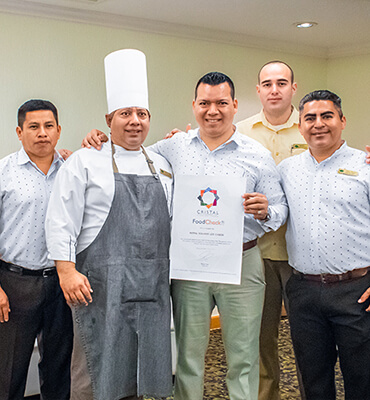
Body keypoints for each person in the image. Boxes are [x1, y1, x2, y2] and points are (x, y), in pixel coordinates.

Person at [83, 71, 288, 400]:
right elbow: (130, 153)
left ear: (234, 105)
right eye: (205, 103)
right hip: (189, 265)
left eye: (221, 103)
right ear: (194, 106)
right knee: (189, 356)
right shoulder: (172, 147)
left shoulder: (257, 155)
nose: (213, 111)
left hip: (242, 262)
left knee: (243, 357)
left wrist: (265, 211)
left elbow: (280, 209)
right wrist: (101, 139)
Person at [45, 49, 173, 400]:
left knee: (140, 366)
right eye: (125, 113)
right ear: (108, 118)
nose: (135, 121)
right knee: (95, 365)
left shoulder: (162, 165)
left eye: (142, 114)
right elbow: (60, 219)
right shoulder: (86, 161)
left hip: (152, 286)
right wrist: (66, 271)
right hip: (100, 285)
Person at [278, 90, 370, 400]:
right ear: (300, 125)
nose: (319, 124)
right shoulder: (287, 170)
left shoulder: (365, 164)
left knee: (362, 376)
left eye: (327, 116)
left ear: (342, 121)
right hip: (303, 291)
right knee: (313, 379)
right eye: (310, 118)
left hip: (357, 292)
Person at [236, 61, 306, 400]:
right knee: (259, 340)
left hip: (302, 256)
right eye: (267, 83)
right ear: (258, 89)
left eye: (281, 82)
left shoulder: (310, 126)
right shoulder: (241, 132)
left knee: (308, 339)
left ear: (294, 88)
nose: (274, 89)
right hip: (257, 255)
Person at [0, 99, 73, 400]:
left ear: (58, 131)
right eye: (33, 126)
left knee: (59, 368)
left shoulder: (73, 171)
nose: (42, 133)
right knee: (9, 372)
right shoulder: (3, 172)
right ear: (19, 132)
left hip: (61, 283)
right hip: (16, 284)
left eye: (48, 126)